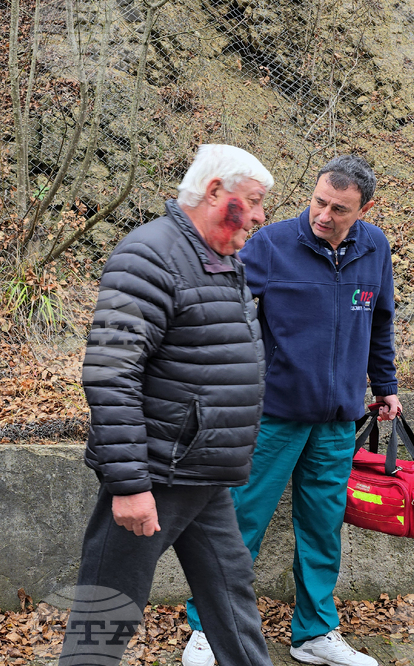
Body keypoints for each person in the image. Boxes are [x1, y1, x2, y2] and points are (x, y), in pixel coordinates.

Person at [59, 145, 275, 666]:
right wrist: (130, 485)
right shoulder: (148, 255)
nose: (260, 216)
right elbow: (111, 373)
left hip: (203, 473)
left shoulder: (219, 259)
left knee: (232, 601)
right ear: (215, 191)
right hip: (156, 474)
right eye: (252, 201)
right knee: (105, 617)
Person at [183, 155, 401, 666]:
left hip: (338, 420)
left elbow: (380, 321)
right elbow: (224, 309)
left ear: (364, 210)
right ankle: (209, 629)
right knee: (240, 523)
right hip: (273, 416)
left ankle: (315, 634)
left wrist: (386, 385)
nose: (324, 214)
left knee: (323, 529)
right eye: (319, 201)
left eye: (339, 209)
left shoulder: (375, 248)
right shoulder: (272, 244)